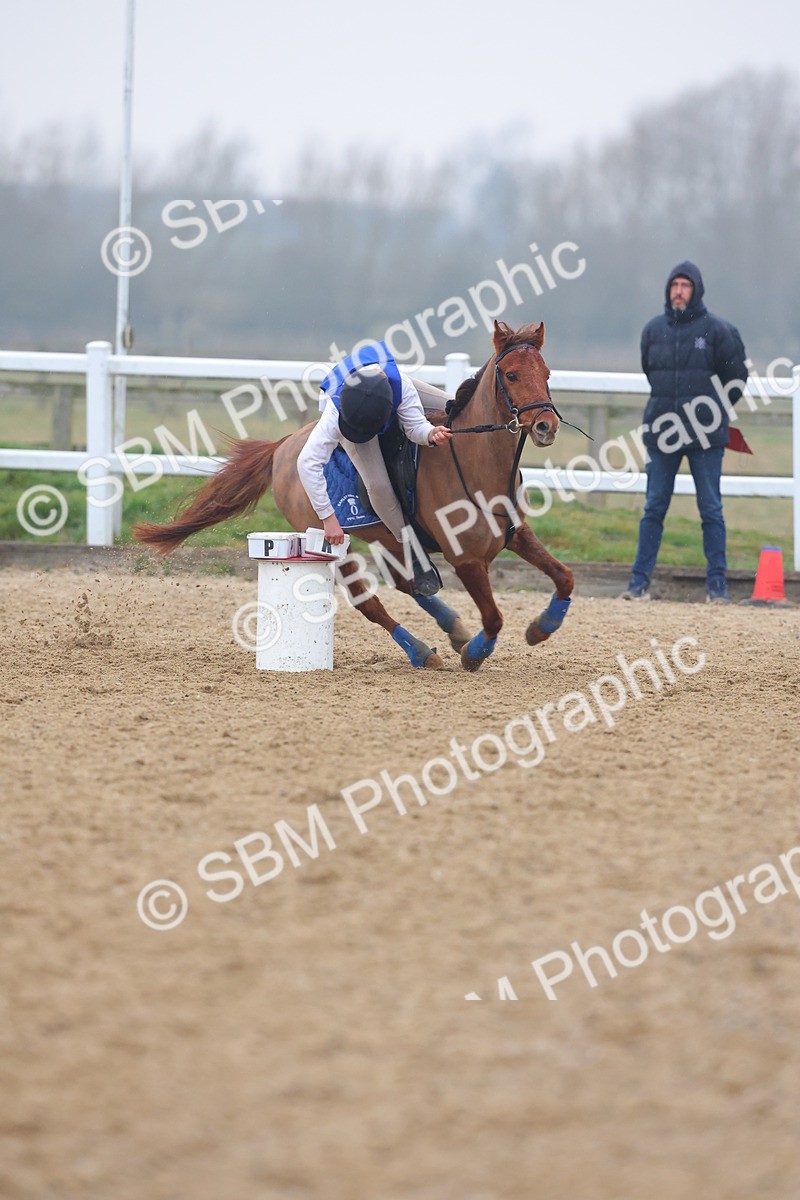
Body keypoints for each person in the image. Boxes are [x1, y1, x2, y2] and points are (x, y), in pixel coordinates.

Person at [621, 260, 747, 604]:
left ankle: (717, 586)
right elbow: (652, 373)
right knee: (654, 508)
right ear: (668, 290)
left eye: (685, 285)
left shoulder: (719, 331)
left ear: (696, 290)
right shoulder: (652, 331)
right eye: (674, 284)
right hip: (663, 434)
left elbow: (736, 381)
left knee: (711, 509)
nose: (679, 291)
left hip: (707, 436)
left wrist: (712, 412)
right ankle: (638, 584)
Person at [297, 341, 452, 596]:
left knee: (454, 404)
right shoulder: (334, 411)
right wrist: (328, 517)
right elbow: (306, 462)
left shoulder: (402, 387)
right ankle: (412, 549)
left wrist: (431, 433)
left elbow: (414, 428)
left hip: (384, 386)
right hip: (351, 399)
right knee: (378, 485)